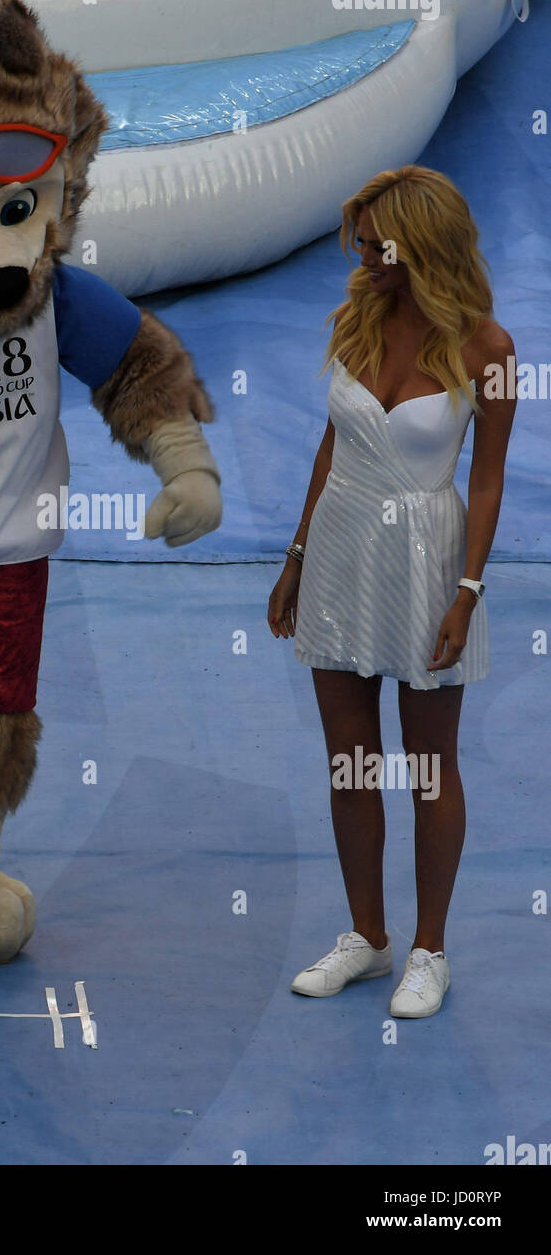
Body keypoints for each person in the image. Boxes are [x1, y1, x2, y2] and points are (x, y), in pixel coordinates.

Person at [268, 166, 516, 1018]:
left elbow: (486, 483)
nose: (363, 256)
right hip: (340, 546)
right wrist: (296, 554)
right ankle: (367, 938)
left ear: (423, 242)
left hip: (426, 561)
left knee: (427, 763)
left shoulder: (489, 350)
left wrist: (467, 592)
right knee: (349, 763)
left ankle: (429, 951)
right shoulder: (356, 323)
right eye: (360, 241)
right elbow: (329, 448)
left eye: (377, 242)